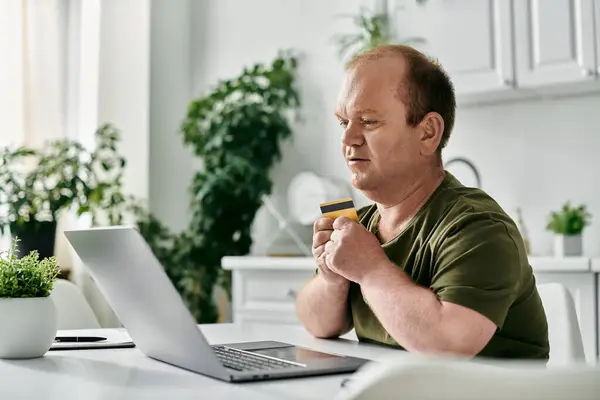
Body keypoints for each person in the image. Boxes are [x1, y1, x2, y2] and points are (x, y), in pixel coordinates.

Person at [294, 45, 549, 361]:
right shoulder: (359, 226)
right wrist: (333, 275)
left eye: (368, 121)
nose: (348, 139)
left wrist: (370, 269)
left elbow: (449, 343)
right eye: (344, 122)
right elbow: (316, 323)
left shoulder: (479, 228)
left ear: (428, 133)